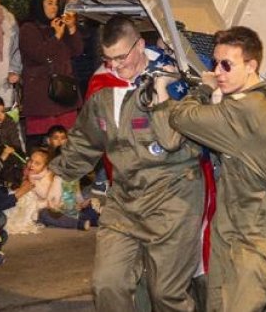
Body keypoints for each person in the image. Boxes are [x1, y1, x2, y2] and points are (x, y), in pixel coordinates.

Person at [47, 15, 203, 310]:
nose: (117, 65)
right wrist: (61, 178)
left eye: (122, 57)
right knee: (107, 283)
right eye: (109, 59)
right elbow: (84, 140)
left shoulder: (175, 78)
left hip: (172, 198)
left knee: (166, 294)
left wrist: (163, 93)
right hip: (124, 198)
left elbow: (172, 140)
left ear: (140, 45)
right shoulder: (103, 87)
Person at [165, 26, 266, 312]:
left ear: (251, 65)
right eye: (214, 63)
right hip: (237, 226)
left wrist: (204, 87)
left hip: (256, 234)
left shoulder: (246, 110)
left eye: (226, 64)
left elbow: (182, 117)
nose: (218, 71)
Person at [16, 0, 83, 144]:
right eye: (49, 3)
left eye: (56, 3)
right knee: (43, 146)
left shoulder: (60, 25)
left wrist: (71, 29)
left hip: (65, 95)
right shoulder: (28, 29)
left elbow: (77, 50)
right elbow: (41, 55)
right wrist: (57, 36)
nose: (54, 7)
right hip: (42, 98)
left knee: (68, 142)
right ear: (40, 5)